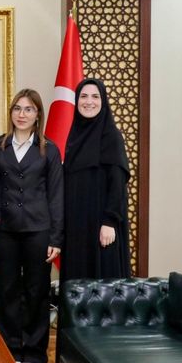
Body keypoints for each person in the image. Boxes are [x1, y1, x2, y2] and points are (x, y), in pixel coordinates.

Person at [0, 89, 63, 363]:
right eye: (17, 108)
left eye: (29, 109)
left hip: (38, 231)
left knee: (37, 292)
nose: (22, 114)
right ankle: (10, 350)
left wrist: (56, 238)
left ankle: (34, 352)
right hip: (5, 231)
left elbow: (57, 196)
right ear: (11, 113)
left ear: (38, 115)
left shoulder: (50, 149)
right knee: (7, 291)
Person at [61, 79, 130, 282]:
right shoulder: (73, 137)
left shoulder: (112, 137)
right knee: (77, 283)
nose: (88, 102)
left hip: (102, 225)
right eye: (83, 96)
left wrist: (109, 221)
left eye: (95, 96)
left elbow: (118, 184)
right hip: (76, 225)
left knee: (103, 286)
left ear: (103, 101)